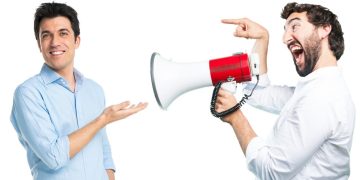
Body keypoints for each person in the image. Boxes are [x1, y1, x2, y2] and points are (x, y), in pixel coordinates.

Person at [216, 2, 355, 179]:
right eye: (285, 29)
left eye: (295, 26)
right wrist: (262, 38)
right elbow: (257, 94)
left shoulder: (322, 98)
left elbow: (271, 172)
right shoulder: (313, 89)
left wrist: (235, 118)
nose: (285, 38)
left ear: (324, 29)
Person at [10, 2, 147, 180]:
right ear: (39, 45)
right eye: (46, 35)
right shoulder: (28, 94)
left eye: (63, 33)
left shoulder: (94, 90)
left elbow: (104, 152)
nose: (54, 42)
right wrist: (103, 119)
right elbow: (54, 157)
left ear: (77, 41)